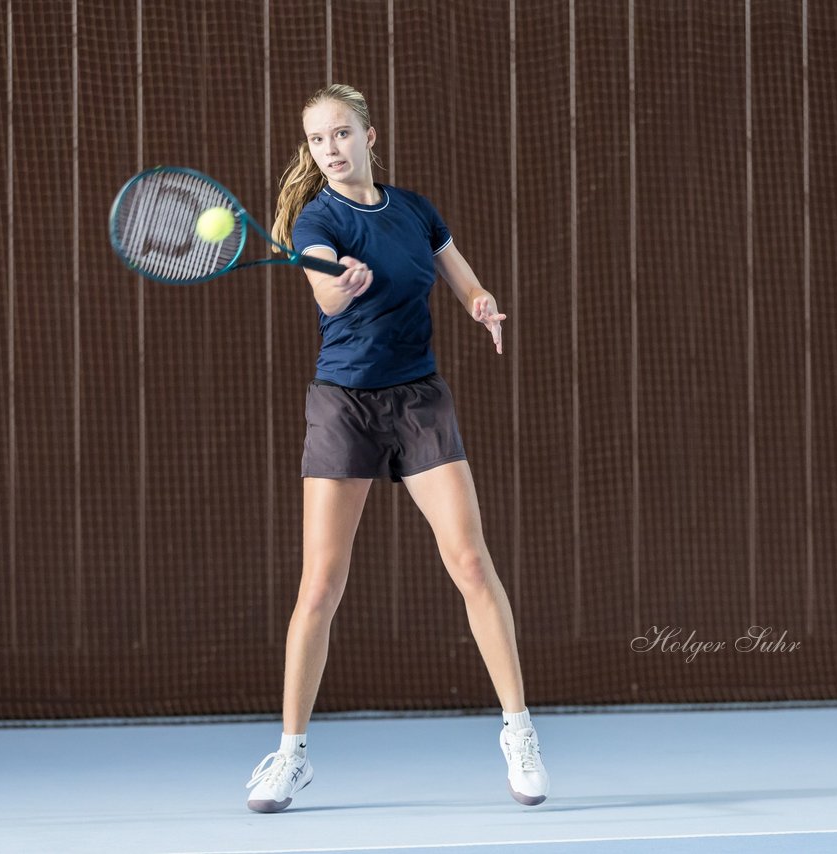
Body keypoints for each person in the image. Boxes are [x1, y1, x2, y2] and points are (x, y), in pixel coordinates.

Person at [244, 83, 549, 813]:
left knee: (471, 561)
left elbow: (462, 278)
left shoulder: (414, 209)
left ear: (369, 136)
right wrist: (342, 284)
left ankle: (520, 733)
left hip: (417, 400)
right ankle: (291, 754)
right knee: (321, 584)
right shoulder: (318, 217)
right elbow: (325, 292)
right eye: (317, 139)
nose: (330, 148)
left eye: (341, 133)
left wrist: (481, 303)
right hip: (344, 405)